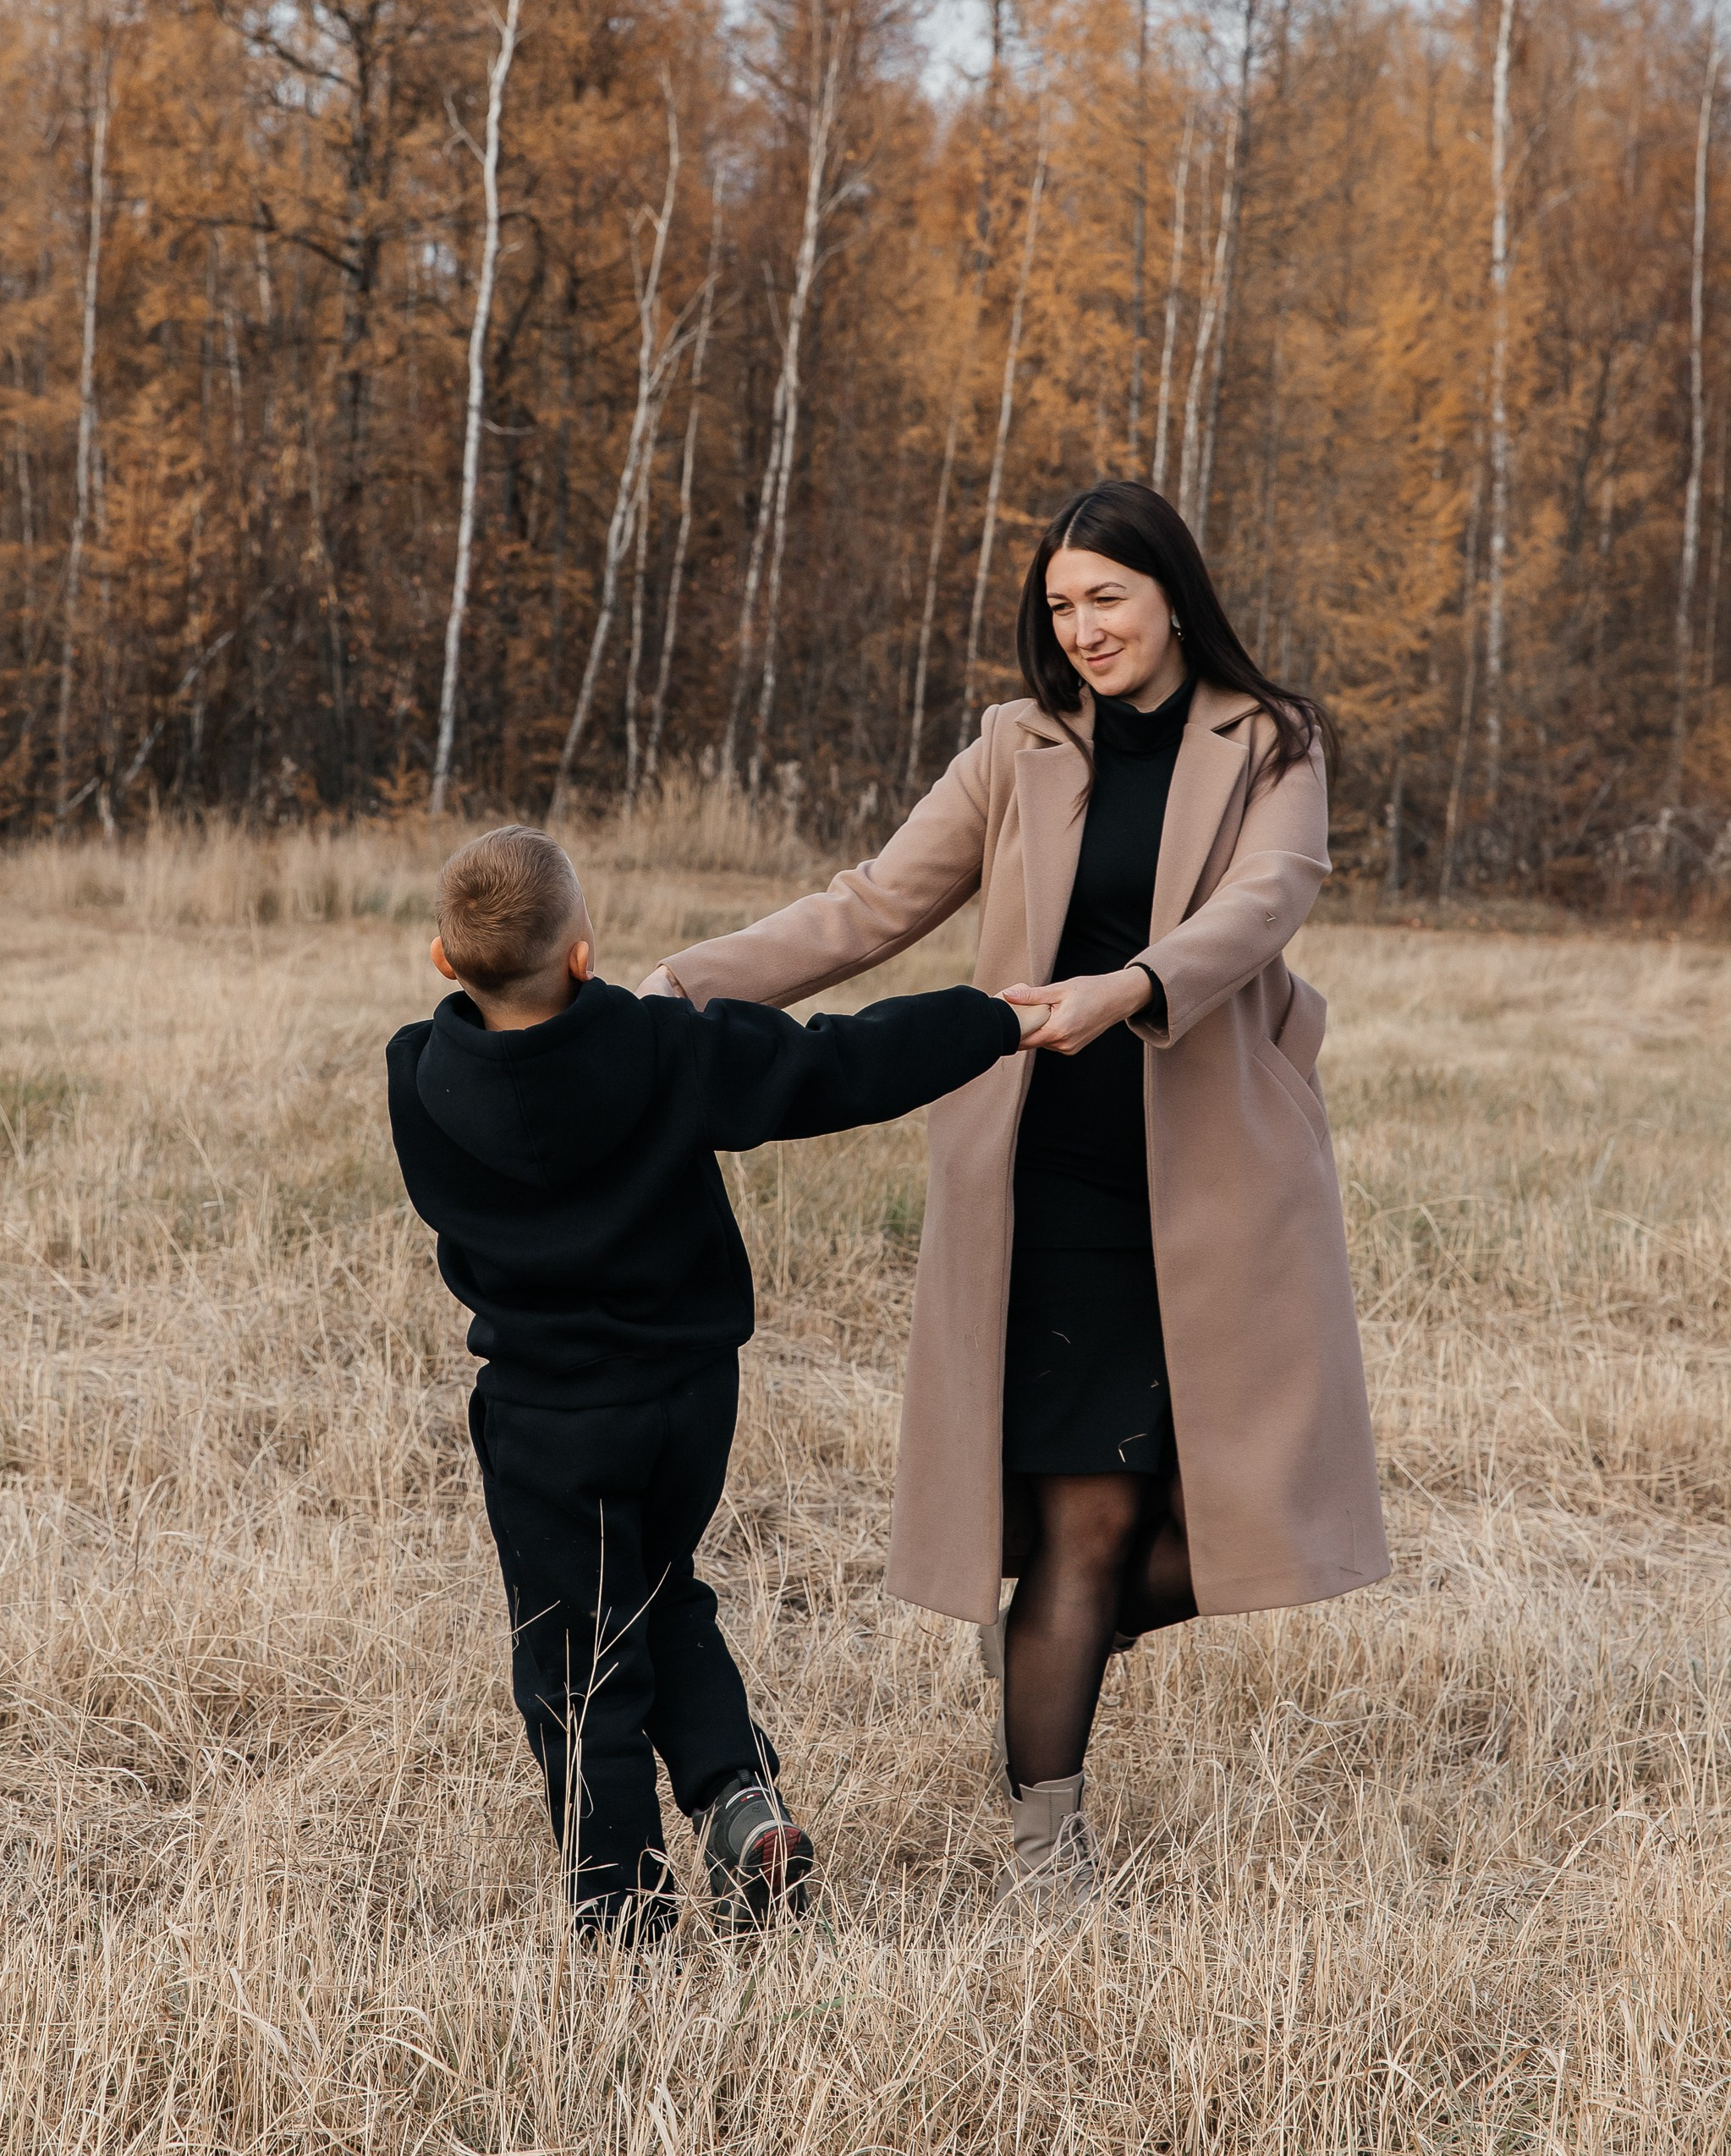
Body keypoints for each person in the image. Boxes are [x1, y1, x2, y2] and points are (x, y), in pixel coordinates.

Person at [641, 481, 1389, 1906]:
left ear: (1171, 591)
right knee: (1085, 1523)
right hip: (1049, 1182)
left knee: (1243, 1504)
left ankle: (1057, 1622)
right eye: (1059, 605)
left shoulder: (1270, 742)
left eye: (1105, 596)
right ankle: (1051, 1856)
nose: (1082, 627)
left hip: (1224, 1175)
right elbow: (867, 905)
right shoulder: (1015, 746)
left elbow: (1265, 903)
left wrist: (1128, 986)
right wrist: (678, 984)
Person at [386, 823, 1040, 1944]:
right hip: (686, 1395)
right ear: (584, 955)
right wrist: (993, 1018)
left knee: (576, 1655)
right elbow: (835, 1062)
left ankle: (619, 1907)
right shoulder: (659, 1050)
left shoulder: (419, 1072)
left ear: (442, 962)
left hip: (545, 1413)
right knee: (659, 1585)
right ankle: (738, 1799)